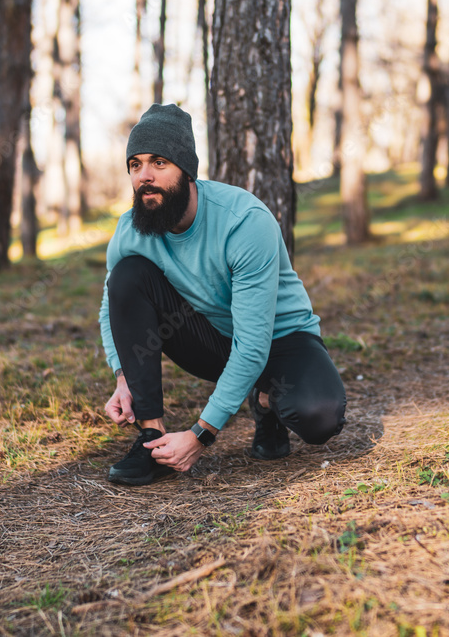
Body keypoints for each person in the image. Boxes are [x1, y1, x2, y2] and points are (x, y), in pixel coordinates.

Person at [99, 104, 347, 486]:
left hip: (282, 340)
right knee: (127, 276)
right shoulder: (132, 229)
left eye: (159, 163)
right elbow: (111, 302)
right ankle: (151, 438)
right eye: (135, 164)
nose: (144, 176)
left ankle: (266, 404)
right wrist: (122, 375)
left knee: (319, 417)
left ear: (187, 170)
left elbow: (253, 343)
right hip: (213, 340)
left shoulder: (244, 221)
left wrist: (202, 434)